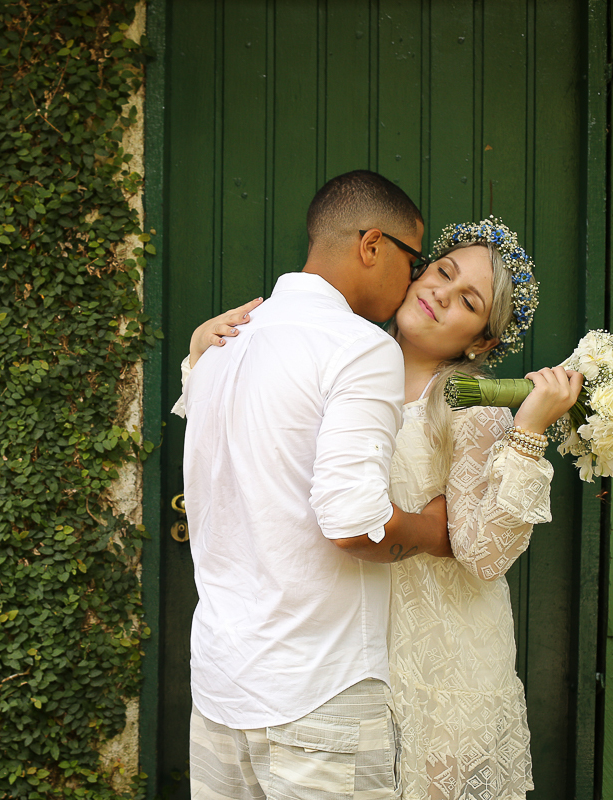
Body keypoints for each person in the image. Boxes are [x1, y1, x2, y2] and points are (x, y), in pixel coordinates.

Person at [181, 216, 583, 800]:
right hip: (334, 650)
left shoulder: (472, 412)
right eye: (441, 271)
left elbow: (482, 553)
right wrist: (202, 357)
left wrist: (528, 432)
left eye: (467, 300)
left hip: (439, 653)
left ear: (481, 341)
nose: (440, 293)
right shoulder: (338, 358)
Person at [177, 170, 454, 800]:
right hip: (319, 690)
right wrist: (431, 531)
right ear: (372, 245)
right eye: (414, 262)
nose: (413, 282)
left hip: (221, 686)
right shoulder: (357, 348)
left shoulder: (217, 346)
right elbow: (354, 524)